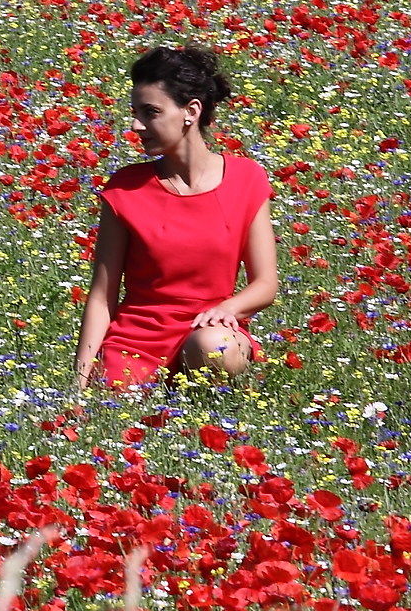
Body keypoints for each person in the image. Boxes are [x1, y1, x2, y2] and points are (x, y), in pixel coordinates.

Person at [75, 45, 280, 389]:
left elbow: (265, 285)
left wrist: (228, 308)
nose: (136, 125)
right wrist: (79, 382)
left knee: (217, 347)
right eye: (135, 112)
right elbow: (102, 296)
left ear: (191, 111)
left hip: (208, 332)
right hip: (136, 341)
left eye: (150, 112)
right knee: (111, 402)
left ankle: (208, 398)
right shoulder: (124, 188)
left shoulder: (246, 179)